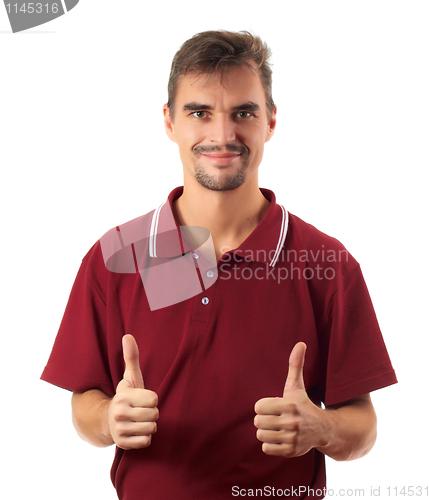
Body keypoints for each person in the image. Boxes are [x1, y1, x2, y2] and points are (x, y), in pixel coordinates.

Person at [41, 30, 397, 499]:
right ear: (169, 122)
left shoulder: (327, 264)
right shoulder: (116, 256)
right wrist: (109, 419)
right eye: (199, 112)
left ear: (270, 121)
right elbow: (84, 404)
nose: (222, 135)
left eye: (243, 113)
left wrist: (323, 427)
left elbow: (363, 427)